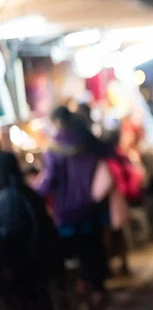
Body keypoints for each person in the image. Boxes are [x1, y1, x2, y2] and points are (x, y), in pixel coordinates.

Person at [33, 106, 110, 307]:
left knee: (71, 255)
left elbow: (49, 180)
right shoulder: (86, 140)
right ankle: (98, 288)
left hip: (66, 213)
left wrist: (33, 191)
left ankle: (79, 290)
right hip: (91, 208)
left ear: (57, 122)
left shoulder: (54, 148)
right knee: (92, 250)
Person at [0, 151, 63, 310]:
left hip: (25, 271)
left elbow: (12, 237)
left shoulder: (9, 198)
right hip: (40, 267)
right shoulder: (27, 192)